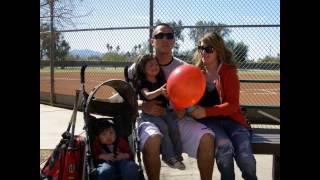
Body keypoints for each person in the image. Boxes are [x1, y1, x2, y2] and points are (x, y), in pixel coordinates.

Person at [127, 23, 215, 180]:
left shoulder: (184, 67)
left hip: (177, 118)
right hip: (150, 119)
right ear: (152, 41)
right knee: (152, 139)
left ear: (174, 41)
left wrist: (186, 108)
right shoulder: (137, 67)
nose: (165, 39)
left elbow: (193, 98)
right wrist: (144, 105)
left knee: (207, 138)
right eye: (160, 36)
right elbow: (127, 97)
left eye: (170, 36)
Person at [190, 32, 257, 180]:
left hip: (232, 121)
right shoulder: (194, 73)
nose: (203, 52)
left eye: (208, 49)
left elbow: (233, 105)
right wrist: (190, 109)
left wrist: (206, 111)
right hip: (210, 123)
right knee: (224, 149)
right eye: (200, 48)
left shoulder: (228, 72)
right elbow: (187, 101)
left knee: (246, 158)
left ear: (218, 50)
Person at [132, 53, 185, 170]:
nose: (154, 66)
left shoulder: (161, 79)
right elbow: (148, 96)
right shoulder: (143, 82)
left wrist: (167, 95)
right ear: (143, 69)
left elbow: (167, 96)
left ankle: (177, 155)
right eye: (150, 65)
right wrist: (160, 91)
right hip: (149, 115)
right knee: (164, 128)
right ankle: (168, 156)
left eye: (156, 64)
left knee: (174, 127)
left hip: (164, 111)